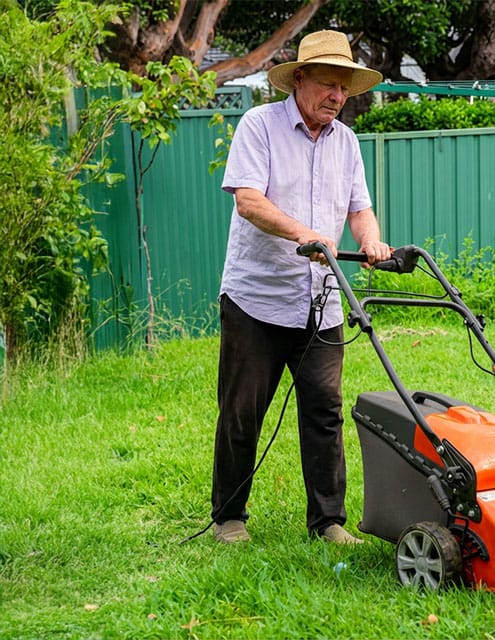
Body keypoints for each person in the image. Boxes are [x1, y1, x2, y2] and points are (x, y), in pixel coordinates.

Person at [211, 30, 390, 545]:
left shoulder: (348, 142)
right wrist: (302, 232)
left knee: (324, 411)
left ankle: (328, 521)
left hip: (321, 299)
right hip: (257, 298)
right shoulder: (259, 126)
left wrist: (373, 242)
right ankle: (229, 517)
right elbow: (248, 200)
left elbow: (359, 209)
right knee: (243, 410)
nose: (337, 96)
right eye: (329, 85)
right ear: (300, 79)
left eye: (345, 89)